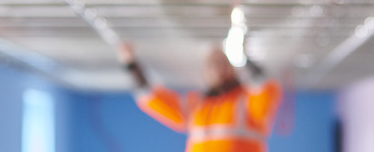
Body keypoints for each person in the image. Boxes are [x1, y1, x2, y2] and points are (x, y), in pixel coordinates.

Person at [118, 43, 282, 152]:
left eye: (223, 62)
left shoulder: (247, 100)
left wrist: (242, 56)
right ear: (205, 70)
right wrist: (131, 64)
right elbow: (152, 98)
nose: (218, 68)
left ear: (234, 67)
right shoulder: (196, 104)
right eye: (212, 63)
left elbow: (263, 85)